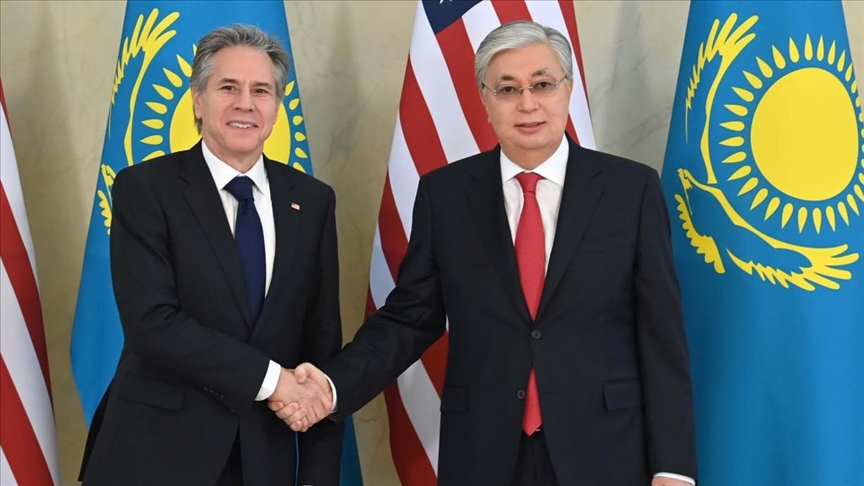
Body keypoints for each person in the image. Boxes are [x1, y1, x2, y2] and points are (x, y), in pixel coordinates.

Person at [277, 20, 697, 486]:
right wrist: (330, 386)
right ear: (484, 98)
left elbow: (661, 336)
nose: (527, 103)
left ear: (568, 88)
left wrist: (674, 468)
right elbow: (409, 319)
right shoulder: (445, 195)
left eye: (542, 84)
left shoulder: (630, 190)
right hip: (483, 453)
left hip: (604, 452)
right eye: (508, 89)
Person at [79, 24, 343, 486]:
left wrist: (318, 476)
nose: (246, 103)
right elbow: (153, 323)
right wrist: (273, 380)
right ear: (198, 100)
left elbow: (321, 342)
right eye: (228, 87)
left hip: (264, 457)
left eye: (261, 90)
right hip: (155, 454)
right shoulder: (145, 189)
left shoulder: (312, 200)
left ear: (277, 107)